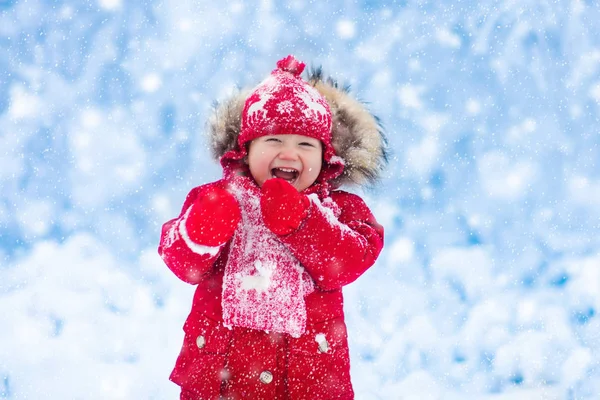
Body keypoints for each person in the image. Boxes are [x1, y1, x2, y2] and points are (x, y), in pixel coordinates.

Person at [158, 55, 387, 400]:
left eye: (305, 145)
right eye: (274, 141)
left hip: (303, 381)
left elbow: (351, 259)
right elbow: (181, 261)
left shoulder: (338, 209)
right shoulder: (218, 198)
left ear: (325, 157)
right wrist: (200, 231)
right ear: (246, 150)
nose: (289, 154)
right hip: (220, 379)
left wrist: (304, 222)